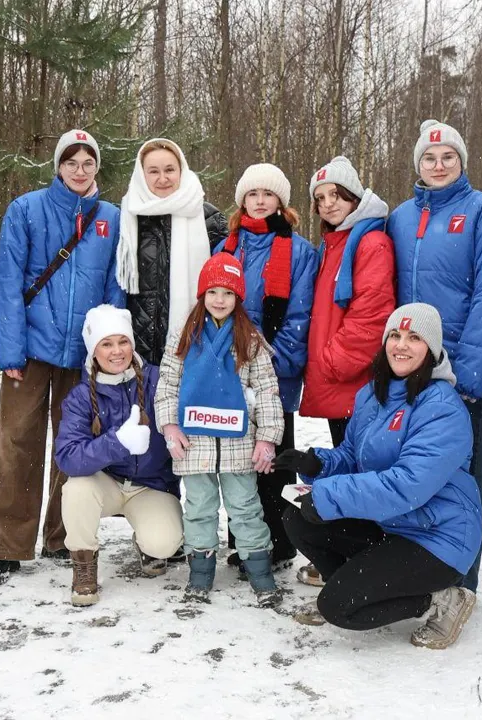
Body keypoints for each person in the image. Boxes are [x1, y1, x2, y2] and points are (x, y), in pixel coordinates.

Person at [278, 303, 481, 649]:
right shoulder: (374, 394)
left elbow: (406, 486)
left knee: (338, 608)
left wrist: (328, 495)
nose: (401, 345)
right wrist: (317, 464)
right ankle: (354, 587)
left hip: (436, 538)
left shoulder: (442, 409)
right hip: (391, 524)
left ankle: (439, 600)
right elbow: (353, 457)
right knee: (298, 518)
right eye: (395, 335)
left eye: (414, 338)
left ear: (431, 349)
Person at [0, 130, 124, 585]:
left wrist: (108, 346)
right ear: (58, 166)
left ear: (96, 167)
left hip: (83, 355)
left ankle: (61, 536)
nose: (79, 170)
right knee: (17, 441)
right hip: (31, 348)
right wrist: (8, 348)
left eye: (87, 162)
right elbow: (7, 281)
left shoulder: (111, 219)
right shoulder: (26, 209)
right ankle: (7, 545)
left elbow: (114, 286)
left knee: (75, 443)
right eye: (71, 161)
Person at [386, 119, 482, 595]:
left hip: (458, 370)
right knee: (414, 472)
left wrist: (472, 374)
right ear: (417, 164)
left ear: (462, 162)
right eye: (429, 158)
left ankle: (462, 582)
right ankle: (416, 569)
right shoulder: (400, 217)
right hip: (408, 366)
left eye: (448, 158)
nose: (438, 166)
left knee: (464, 476)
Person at [154, 253, 285, 606]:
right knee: (198, 507)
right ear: (202, 295)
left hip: (238, 444)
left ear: (238, 297)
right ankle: (200, 574)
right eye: (212, 291)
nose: (219, 300)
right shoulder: (184, 337)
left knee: (245, 508)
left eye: (227, 293)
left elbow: (267, 392)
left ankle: (259, 571)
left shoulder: (250, 338)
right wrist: (169, 426)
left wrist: (267, 440)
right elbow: (167, 385)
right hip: (193, 442)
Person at [213, 163, 318, 575]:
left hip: (276, 373)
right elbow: (214, 307)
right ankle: (244, 542)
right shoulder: (226, 249)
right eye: (252, 194)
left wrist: (274, 361)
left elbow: (301, 314)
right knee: (239, 459)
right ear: (242, 201)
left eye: (268, 194)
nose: (260, 200)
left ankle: (279, 543)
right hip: (231, 372)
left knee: (272, 460)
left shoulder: (299, 251)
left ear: (281, 202)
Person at [297, 155, 396, 586]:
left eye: (335, 195)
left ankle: (362, 559)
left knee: (359, 471)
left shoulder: (369, 242)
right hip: (340, 380)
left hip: (353, 379)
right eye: (319, 199)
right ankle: (348, 555)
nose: (328, 204)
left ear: (353, 195)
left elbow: (372, 314)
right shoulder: (336, 242)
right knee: (349, 468)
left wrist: (331, 361)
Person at [52, 304, 183, 605]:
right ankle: (84, 566)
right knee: (76, 489)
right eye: (106, 344)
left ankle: (147, 544)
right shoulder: (81, 396)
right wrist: (118, 442)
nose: (117, 351)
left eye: (123, 341)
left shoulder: (157, 381)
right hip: (107, 484)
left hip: (152, 486)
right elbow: (68, 456)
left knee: (165, 543)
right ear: (93, 351)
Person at [116, 138, 228, 365]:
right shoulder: (127, 218)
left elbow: (226, 282)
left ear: (181, 170)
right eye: (153, 171)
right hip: (139, 348)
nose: (163, 179)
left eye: (169, 170)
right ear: (141, 174)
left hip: (197, 341)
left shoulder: (209, 219)